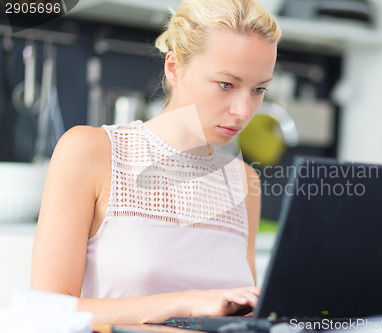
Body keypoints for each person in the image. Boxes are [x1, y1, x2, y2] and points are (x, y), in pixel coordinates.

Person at [30, 0, 281, 325]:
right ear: (173, 68)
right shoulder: (91, 152)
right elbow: (45, 313)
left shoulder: (244, 181)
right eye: (226, 85)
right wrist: (188, 303)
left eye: (259, 89)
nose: (243, 111)